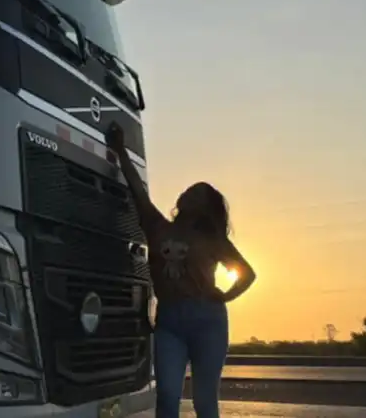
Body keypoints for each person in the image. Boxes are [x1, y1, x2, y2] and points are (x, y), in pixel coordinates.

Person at [105, 122, 256, 418]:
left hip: (208, 321)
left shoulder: (214, 239)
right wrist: (120, 151)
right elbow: (138, 193)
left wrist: (224, 296)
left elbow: (248, 274)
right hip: (170, 320)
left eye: (198, 191)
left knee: (204, 401)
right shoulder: (158, 227)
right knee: (167, 396)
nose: (189, 190)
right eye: (190, 188)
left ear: (206, 206)